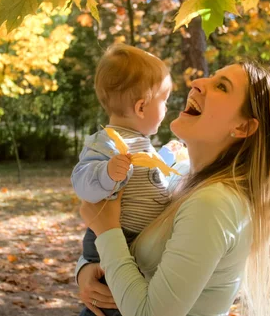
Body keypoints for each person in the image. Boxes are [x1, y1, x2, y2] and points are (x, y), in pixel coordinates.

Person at [77, 62, 270, 316]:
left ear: (242, 127)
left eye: (221, 86)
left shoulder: (215, 203)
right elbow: (132, 246)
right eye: (211, 77)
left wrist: (106, 231)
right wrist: (85, 270)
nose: (198, 83)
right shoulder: (183, 178)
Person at [71, 44, 185, 316]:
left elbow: (151, 174)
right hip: (116, 237)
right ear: (142, 107)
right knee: (109, 301)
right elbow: (81, 180)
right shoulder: (107, 143)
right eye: (165, 100)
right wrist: (107, 173)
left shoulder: (142, 144)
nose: (167, 108)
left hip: (130, 241)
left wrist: (168, 155)